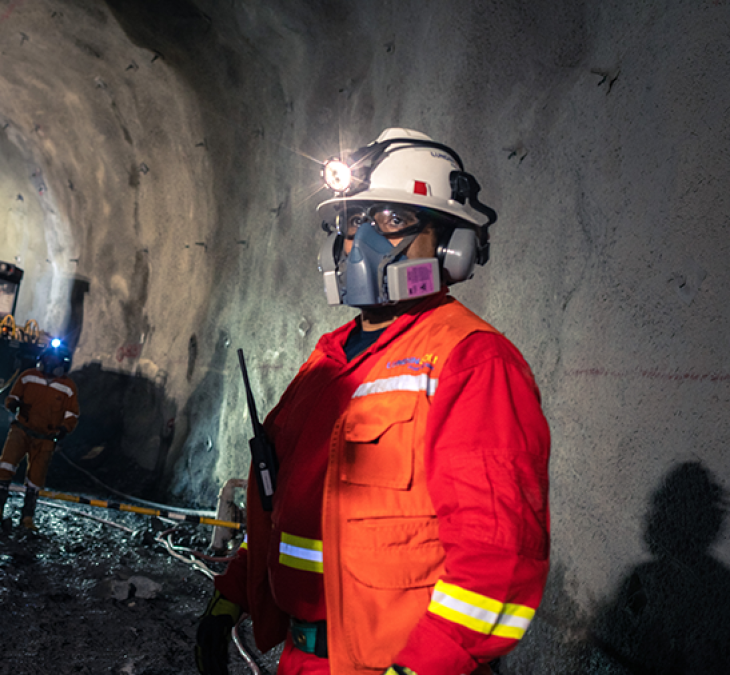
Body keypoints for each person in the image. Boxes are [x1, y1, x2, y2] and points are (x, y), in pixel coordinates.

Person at [195, 129, 551, 675]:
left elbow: (497, 561)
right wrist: (233, 593)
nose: (362, 241)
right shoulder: (328, 361)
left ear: (452, 245)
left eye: (391, 221)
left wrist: (421, 668)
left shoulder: (472, 362)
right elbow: (289, 508)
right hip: (304, 658)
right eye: (352, 220)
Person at [0, 341, 80, 530]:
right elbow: (13, 396)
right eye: (48, 359)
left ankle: (27, 518)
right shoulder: (28, 377)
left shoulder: (68, 387)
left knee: (36, 478)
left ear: (63, 364)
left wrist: (64, 429)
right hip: (21, 430)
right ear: (41, 360)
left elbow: (72, 413)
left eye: (55, 360)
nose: (51, 364)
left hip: (45, 438)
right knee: (6, 466)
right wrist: (12, 404)